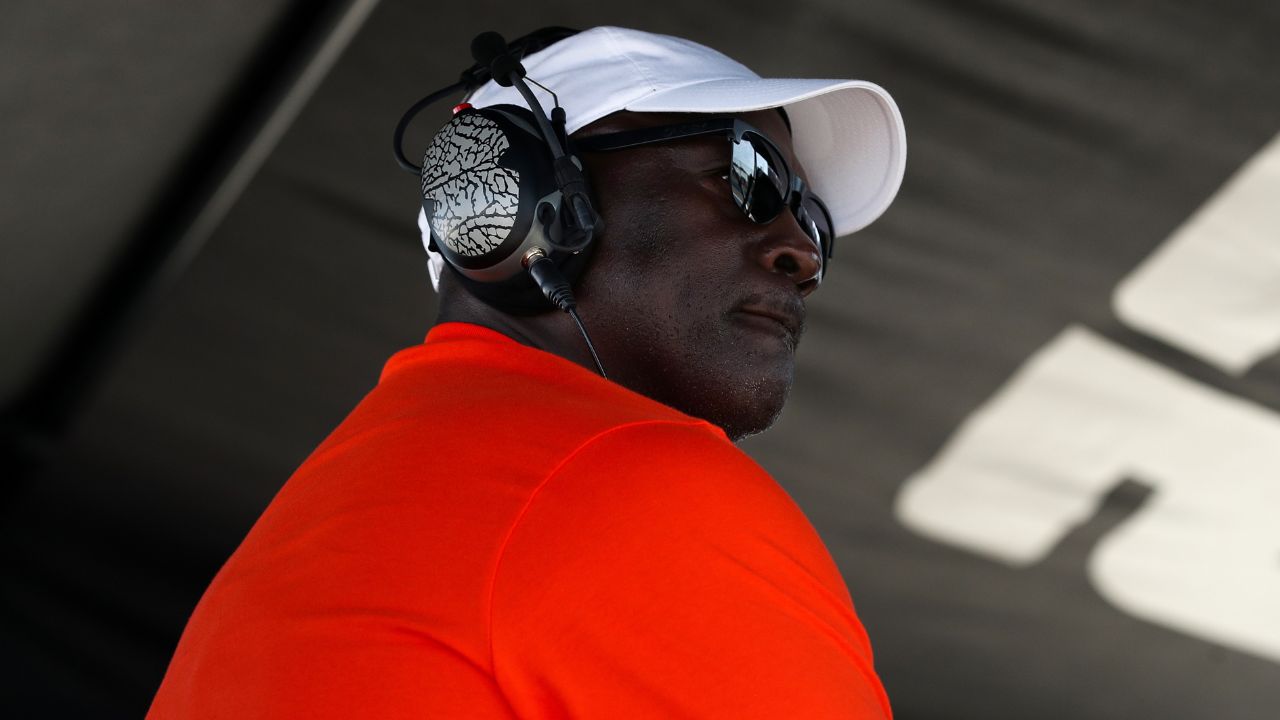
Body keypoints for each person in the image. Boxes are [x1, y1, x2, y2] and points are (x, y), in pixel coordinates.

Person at [147, 25, 905, 719]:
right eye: (749, 176)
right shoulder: (633, 483)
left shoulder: (354, 494)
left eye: (814, 222)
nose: (802, 255)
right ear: (522, 193)